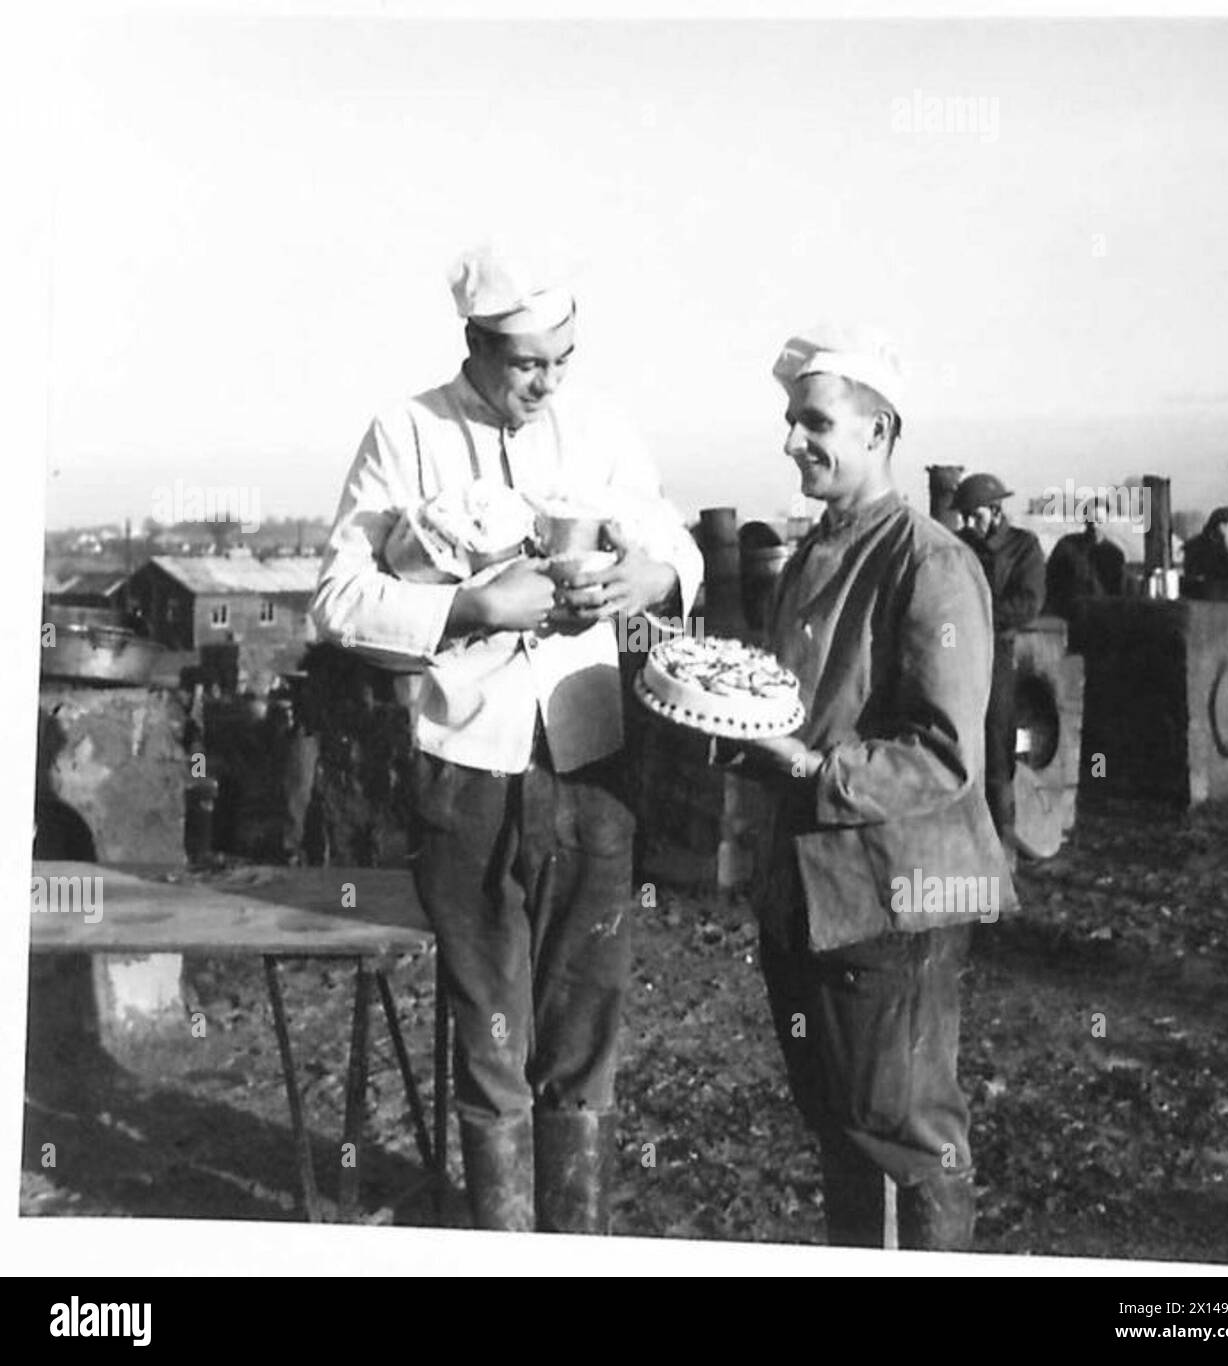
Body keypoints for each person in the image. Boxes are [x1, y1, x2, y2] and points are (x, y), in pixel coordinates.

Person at [311, 243, 702, 1234]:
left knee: (584, 1021)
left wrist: (651, 578)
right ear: (476, 343)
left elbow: (674, 540)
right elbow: (338, 598)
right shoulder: (406, 432)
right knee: (488, 1027)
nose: (548, 381)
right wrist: (466, 607)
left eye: (563, 357)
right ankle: (499, 1245)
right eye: (528, 361)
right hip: (469, 766)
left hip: (590, 761)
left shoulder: (598, 426)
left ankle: (573, 1243)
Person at [738, 326, 1015, 1251]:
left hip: (897, 901)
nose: (791, 441)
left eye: (814, 422)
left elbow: (944, 752)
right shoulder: (813, 553)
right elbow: (783, 705)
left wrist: (817, 771)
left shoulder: (930, 562)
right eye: (790, 421)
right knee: (839, 1128)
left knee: (911, 1133)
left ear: (879, 431)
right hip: (808, 897)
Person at [953, 473, 1046, 843]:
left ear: (995, 511)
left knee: (997, 737)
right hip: (958, 653)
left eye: (974, 515)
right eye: (964, 517)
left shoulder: (1024, 547)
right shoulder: (957, 546)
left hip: (996, 652)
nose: (968, 524)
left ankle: (1001, 838)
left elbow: (1028, 604)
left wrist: (976, 612)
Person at [1044, 509, 1125, 618]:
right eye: (1091, 521)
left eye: (1099, 520)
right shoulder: (1066, 545)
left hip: (1102, 615)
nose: (1095, 525)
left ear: (1108, 521)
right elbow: (1051, 579)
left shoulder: (1114, 554)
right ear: (1085, 521)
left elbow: (1117, 593)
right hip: (1068, 613)